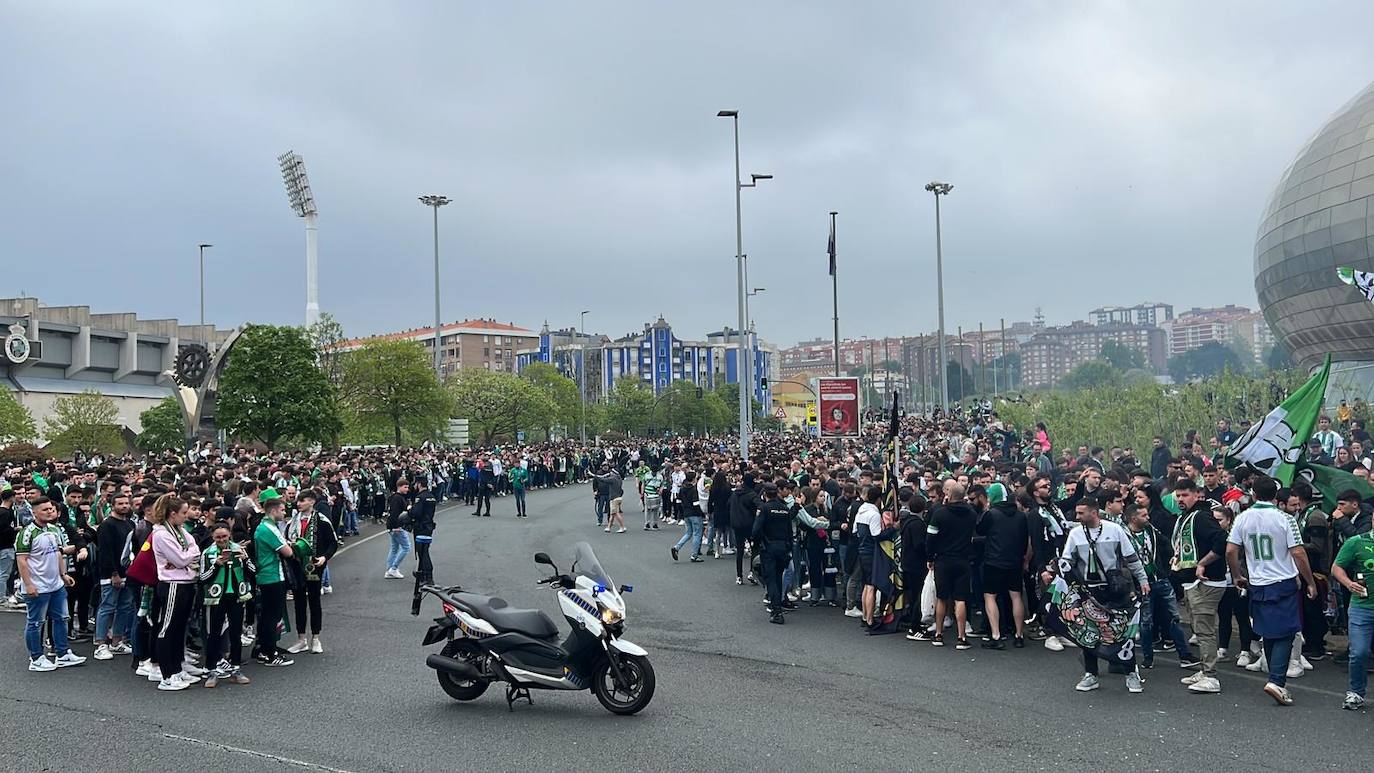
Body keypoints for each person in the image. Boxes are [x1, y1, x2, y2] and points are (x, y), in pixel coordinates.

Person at [1225, 475, 1318, 706]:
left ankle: (1272, 674)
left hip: (1257, 582)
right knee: (1286, 632)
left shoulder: (1242, 518)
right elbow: (1298, 552)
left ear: (1253, 494)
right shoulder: (1285, 519)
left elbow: (1230, 550)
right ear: (1276, 496)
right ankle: (1277, 680)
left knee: (1268, 630)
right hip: (1282, 581)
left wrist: (1237, 574)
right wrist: (1310, 581)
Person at [1044, 494, 1150, 694]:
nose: (1077, 516)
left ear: (1094, 512)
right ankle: (1090, 674)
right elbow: (1067, 560)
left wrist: (1143, 580)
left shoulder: (1115, 530)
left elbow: (1132, 558)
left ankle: (1131, 673)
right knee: (1088, 632)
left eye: (1081, 513)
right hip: (1089, 591)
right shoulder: (1075, 534)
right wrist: (1057, 569)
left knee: (1121, 632)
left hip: (1116, 588)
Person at [15, 496, 86, 672]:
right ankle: (36, 658)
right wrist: (29, 584)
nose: (49, 511)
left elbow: (58, 554)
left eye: (51, 509)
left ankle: (62, 653)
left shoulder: (54, 530)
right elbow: (22, 561)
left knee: (61, 619)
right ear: (34, 512)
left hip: (56, 584)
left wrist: (63, 575)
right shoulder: (27, 533)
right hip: (37, 585)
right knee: (36, 622)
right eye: (44, 509)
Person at [1171, 480, 1228, 693]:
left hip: (1207, 581)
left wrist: (1203, 563)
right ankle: (1204, 670)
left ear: (1197, 495)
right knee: (1198, 626)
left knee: (1204, 630)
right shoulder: (1187, 517)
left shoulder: (1202, 517)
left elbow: (1222, 541)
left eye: (1185, 495)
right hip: (1191, 581)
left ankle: (1211, 676)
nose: (1180, 499)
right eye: (1178, 495)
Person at [752, 482, 828, 624]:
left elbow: (755, 531)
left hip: (768, 547)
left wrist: (759, 543)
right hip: (783, 547)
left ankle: (775, 610)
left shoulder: (764, 509)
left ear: (765, 495)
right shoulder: (784, 509)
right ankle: (779, 604)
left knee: (772, 580)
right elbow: (789, 529)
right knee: (779, 577)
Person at [149, 494, 202, 691]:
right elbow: (181, 559)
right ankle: (166, 674)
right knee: (167, 629)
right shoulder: (161, 534)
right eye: (183, 513)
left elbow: (193, 546)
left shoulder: (180, 531)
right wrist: (189, 554)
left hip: (186, 582)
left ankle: (177, 668)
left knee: (179, 629)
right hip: (172, 584)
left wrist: (188, 553)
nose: (186, 517)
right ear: (172, 514)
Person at [198, 521, 252, 688]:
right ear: (213, 537)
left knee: (236, 634)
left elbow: (253, 571)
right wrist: (216, 564)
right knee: (213, 634)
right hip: (215, 598)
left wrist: (246, 559)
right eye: (218, 537)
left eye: (224, 537)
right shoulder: (208, 553)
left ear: (230, 535)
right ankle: (212, 670)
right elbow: (202, 578)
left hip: (236, 596)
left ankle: (236, 669)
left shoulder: (238, 549)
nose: (222, 540)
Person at [976, 485, 1030, 649]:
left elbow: (980, 530)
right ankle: (1019, 635)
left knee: (990, 596)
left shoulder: (991, 514)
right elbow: (1025, 538)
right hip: (1014, 561)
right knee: (1016, 596)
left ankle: (996, 635)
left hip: (993, 560)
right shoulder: (1021, 516)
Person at [925, 481, 977, 649]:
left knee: (941, 598)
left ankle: (939, 634)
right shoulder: (971, 514)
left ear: (948, 496)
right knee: (960, 599)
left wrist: (930, 557)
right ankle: (961, 636)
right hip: (963, 559)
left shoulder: (940, 514)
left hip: (942, 560)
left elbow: (930, 538)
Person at [284, 490, 337, 655]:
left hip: (314, 567)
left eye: (303, 500)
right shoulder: (293, 522)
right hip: (296, 566)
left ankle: (316, 637)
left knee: (314, 602)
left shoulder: (322, 520)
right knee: (299, 602)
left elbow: (332, 543)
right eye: (298, 500)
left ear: (312, 501)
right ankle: (301, 639)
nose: (299, 503)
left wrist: (324, 557)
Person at [1331, 519, 1374, 710]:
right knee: (1359, 652)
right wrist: (1349, 584)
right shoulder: (1356, 542)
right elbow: (1336, 568)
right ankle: (1356, 692)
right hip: (1362, 608)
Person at [252, 489, 295, 667]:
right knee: (272, 614)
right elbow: (288, 551)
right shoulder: (268, 528)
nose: (284, 513)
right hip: (271, 574)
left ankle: (263, 648)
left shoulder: (265, 527)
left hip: (268, 574)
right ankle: (269, 652)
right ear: (274, 510)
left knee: (267, 615)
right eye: (282, 510)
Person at [92, 493, 135, 661]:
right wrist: (114, 574)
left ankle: (116, 641)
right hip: (111, 574)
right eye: (120, 503)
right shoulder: (107, 525)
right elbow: (106, 551)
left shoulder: (130, 524)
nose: (124, 506)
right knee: (107, 606)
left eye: (126, 503)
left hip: (128, 573)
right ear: (112, 505)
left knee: (125, 607)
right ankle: (100, 644)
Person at [672, 471, 704, 561]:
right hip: (695, 514)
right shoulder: (694, 489)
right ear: (694, 479)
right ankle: (694, 555)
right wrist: (701, 513)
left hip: (686, 513)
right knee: (697, 534)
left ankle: (677, 547)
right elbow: (696, 503)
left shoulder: (682, 488)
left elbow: (678, 501)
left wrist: (681, 512)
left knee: (688, 533)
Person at [385, 480, 411, 579]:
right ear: (399, 486)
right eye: (405, 487)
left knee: (394, 548)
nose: (407, 489)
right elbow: (395, 514)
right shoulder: (397, 498)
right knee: (406, 547)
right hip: (397, 526)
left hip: (392, 526)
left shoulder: (395, 497)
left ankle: (389, 570)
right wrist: (396, 526)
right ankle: (394, 568)